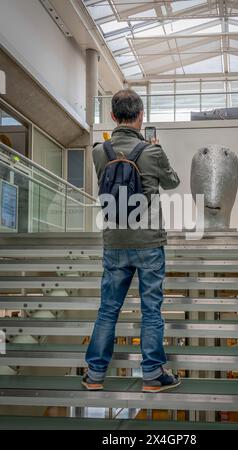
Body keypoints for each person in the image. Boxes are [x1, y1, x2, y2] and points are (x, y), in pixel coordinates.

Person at [83, 89, 181, 393]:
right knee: (152, 308)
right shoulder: (152, 151)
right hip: (149, 241)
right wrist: (158, 150)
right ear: (140, 116)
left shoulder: (100, 151)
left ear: (113, 116)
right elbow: (173, 182)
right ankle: (152, 374)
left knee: (108, 308)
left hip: (114, 242)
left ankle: (95, 375)